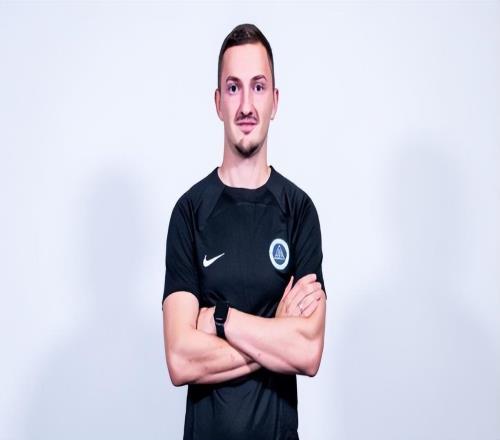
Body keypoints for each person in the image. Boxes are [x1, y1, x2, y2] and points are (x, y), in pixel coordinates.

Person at [161, 23, 327, 440]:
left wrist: (220, 319)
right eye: (234, 88)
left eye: (258, 87)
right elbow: (180, 359)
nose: (246, 105)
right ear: (218, 102)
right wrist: (275, 334)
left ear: (275, 100)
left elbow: (307, 352)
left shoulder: (299, 212)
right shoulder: (190, 213)